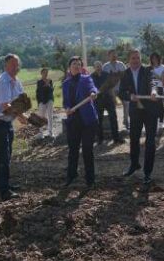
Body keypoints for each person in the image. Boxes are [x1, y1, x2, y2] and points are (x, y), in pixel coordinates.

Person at [0, 54, 26, 200]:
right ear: (6, 66)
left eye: (17, 64)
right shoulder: (3, 82)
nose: (16, 67)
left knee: (7, 155)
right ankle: (4, 191)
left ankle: (7, 184)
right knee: (3, 157)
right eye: (12, 64)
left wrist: (26, 114)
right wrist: (22, 117)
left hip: (6, 121)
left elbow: (21, 101)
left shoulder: (17, 81)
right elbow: (6, 105)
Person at [118, 49, 162, 185]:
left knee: (150, 143)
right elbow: (121, 92)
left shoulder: (148, 71)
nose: (135, 60)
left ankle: (147, 173)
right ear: (128, 60)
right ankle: (134, 164)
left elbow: (154, 83)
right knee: (134, 140)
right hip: (135, 111)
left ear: (140, 59)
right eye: (133, 58)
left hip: (150, 111)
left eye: (137, 58)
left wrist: (154, 92)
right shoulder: (125, 74)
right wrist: (129, 97)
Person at [62, 56, 99, 186]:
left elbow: (93, 89)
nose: (76, 66)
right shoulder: (65, 84)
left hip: (88, 120)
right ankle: (71, 176)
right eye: (74, 64)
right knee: (73, 150)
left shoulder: (86, 79)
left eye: (78, 64)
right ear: (69, 67)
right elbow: (66, 101)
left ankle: (90, 179)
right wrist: (67, 108)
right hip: (73, 120)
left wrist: (93, 93)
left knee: (87, 149)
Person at [91, 61, 120, 144]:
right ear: (94, 68)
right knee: (98, 120)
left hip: (108, 99)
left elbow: (111, 87)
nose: (98, 67)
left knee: (113, 118)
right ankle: (100, 139)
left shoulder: (106, 74)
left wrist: (114, 98)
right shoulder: (91, 77)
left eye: (100, 66)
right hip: (98, 100)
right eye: (97, 66)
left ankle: (116, 138)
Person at [102, 49, 129, 131]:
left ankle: (126, 122)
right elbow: (104, 80)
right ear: (108, 56)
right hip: (111, 91)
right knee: (112, 107)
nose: (114, 56)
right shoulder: (105, 67)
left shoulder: (121, 65)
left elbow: (126, 77)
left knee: (126, 103)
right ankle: (114, 125)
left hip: (121, 89)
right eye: (112, 55)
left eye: (115, 54)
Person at [149, 52, 164, 130]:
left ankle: (161, 122)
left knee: (160, 106)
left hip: (160, 87)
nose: (154, 60)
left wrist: (154, 73)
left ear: (158, 59)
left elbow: (162, 79)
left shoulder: (163, 67)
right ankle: (154, 123)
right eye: (153, 58)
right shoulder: (149, 68)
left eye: (156, 58)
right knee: (153, 106)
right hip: (151, 88)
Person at [35, 68, 55, 137]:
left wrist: (48, 85)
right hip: (42, 100)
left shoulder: (50, 81)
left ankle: (50, 132)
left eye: (47, 72)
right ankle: (41, 133)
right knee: (41, 117)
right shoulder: (39, 82)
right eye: (44, 72)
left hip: (49, 99)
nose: (45, 74)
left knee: (50, 115)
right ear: (41, 73)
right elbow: (39, 91)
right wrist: (38, 102)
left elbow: (51, 90)